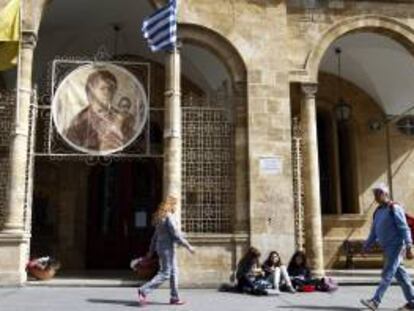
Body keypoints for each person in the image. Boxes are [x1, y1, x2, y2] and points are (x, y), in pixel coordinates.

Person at [360, 183, 414, 311]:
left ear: (385, 194)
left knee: (387, 273)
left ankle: (375, 301)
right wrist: (366, 246)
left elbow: (404, 228)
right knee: (401, 276)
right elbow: (374, 232)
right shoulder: (378, 211)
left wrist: (409, 246)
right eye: (374, 194)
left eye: (378, 193)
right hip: (387, 248)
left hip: (396, 247)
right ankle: (412, 301)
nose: (376, 197)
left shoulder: (394, 208)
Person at [137, 196, 195, 306]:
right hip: (167, 249)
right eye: (175, 205)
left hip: (162, 248)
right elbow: (175, 234)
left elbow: (155, 237)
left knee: (174, 272)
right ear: (171, 205)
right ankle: (144, 290)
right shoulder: (169, 217)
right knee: (166, 273)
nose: (176, 208)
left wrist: (151, 251)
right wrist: (188, 246)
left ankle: (174, 297)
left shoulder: (160, 217)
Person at [64, 70, 136, 152]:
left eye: (111, 88)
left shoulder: (122, 118)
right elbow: (72, 150)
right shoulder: (78, 122)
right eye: (102, 88)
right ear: (91, 92)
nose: (108, 92)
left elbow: (132, 144)